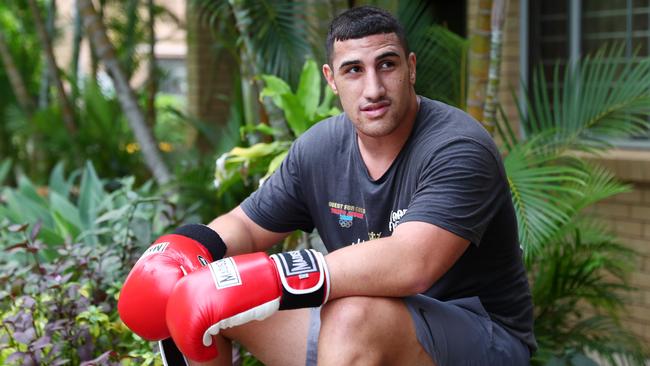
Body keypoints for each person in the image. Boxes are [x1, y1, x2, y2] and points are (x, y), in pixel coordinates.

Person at [119, 6, 536, 366]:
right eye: (353, 70)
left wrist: (270, 276)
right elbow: (245, 227)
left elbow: (412, 263)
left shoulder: (457, 146)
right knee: (199, 298)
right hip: (361, 330)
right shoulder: (320, 148)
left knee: (353, 314)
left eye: (386, 65)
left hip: (479, 336)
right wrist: (189, 248)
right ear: (331, 79)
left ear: (411, 67)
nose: (373, 88)